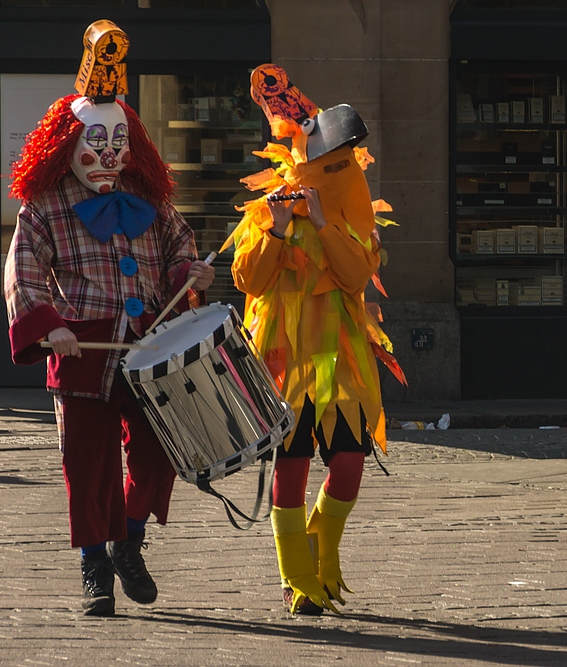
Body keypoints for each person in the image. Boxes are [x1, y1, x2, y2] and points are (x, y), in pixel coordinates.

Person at [4, 21, 215, 617]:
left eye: (117, 146)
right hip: (81, 349)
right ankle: (94, 563)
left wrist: (191, 276)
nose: (107, 158)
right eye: (94, 146)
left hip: (149, 348)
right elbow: (20, 271)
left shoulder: (152, 201)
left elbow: (180, 249)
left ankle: (129, 536)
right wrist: (50, 325)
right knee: (87, 463)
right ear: (66, 142)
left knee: (158, 453)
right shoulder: (44, 207)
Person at [231, 64, 405, 615]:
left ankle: (320, 547)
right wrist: (278, 231)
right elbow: (248, 281)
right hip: (285, 360)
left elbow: (356, 275)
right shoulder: (269, 210)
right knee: (292, 463)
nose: (345, 169)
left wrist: (326, 221)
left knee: (350, 462)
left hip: (342, 356)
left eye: (347, 163)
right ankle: (296, 578)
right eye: (332, 163)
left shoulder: (350, 206)